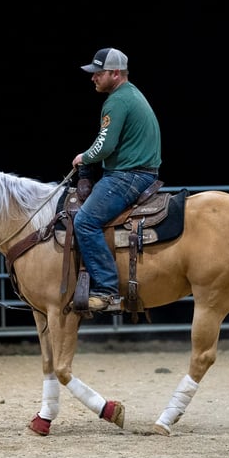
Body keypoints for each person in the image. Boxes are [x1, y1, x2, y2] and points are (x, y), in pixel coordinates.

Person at [71, 47, 162, 312]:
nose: (93, 78)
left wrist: (84, 158)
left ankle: (107, 290)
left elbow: (105, 145)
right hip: (141, 172)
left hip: (129, 175)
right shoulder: (131, 95)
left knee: (85, 221)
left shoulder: (117, 101)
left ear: (115, 73)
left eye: (98, 73)